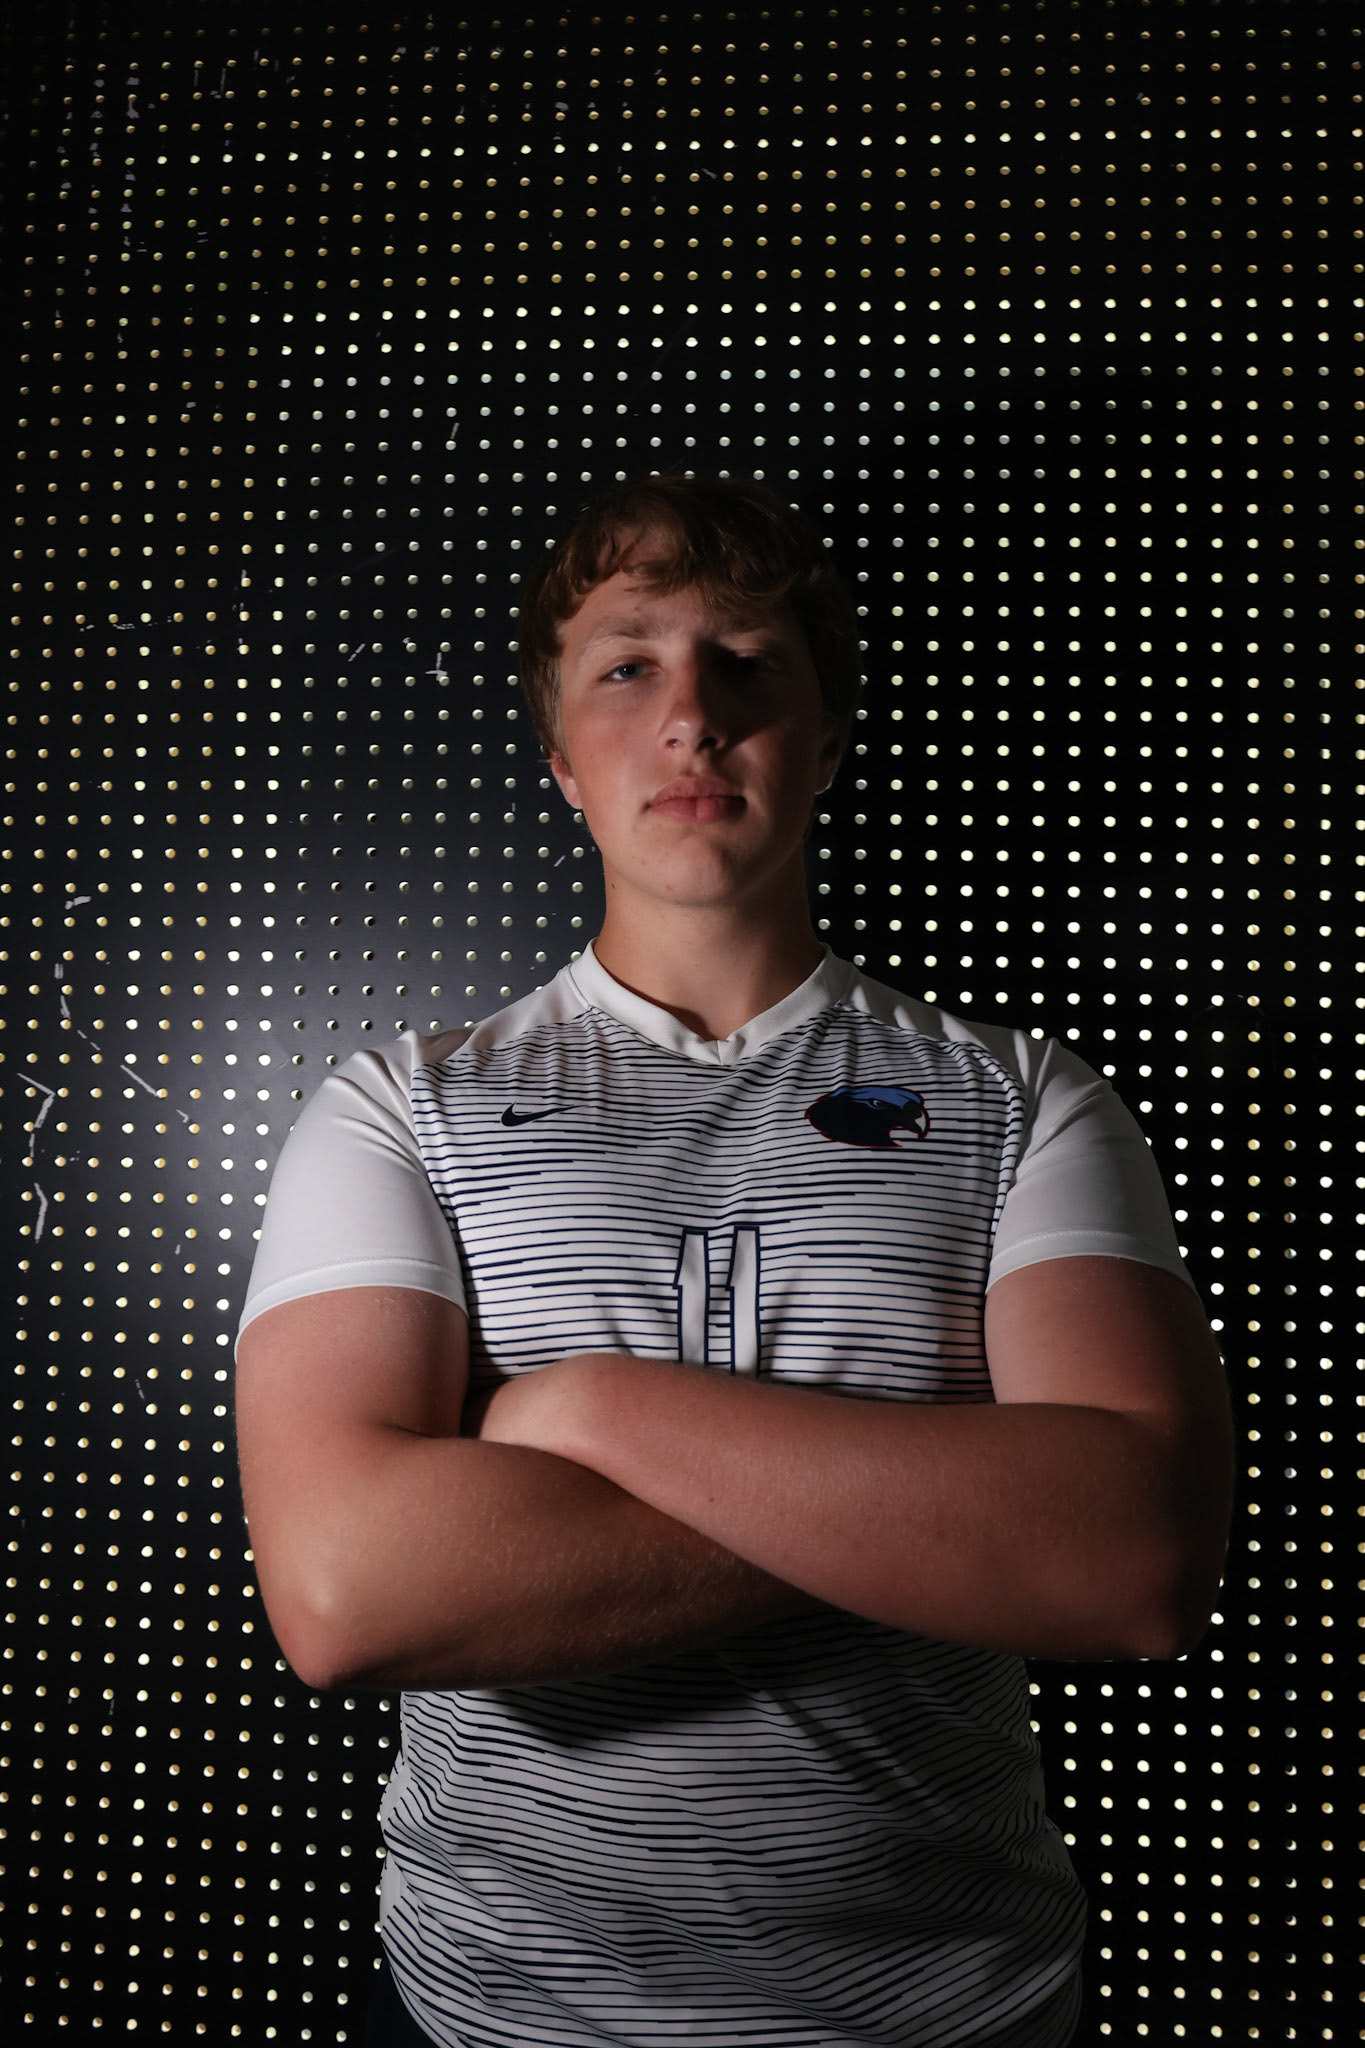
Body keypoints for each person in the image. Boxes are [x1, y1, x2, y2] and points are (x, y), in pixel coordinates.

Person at [234, 473, 1234, 2048]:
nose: (692, 714)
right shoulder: (394, 1108)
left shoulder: (1027, 1096)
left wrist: (580, 1411)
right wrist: (949, 1502)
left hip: (956, 2007)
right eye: (627, 663)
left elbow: (1129, 1560)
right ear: (560, 760)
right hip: (502, 2012)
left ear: (826, 738)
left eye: (750, 660)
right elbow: (350, 1591)